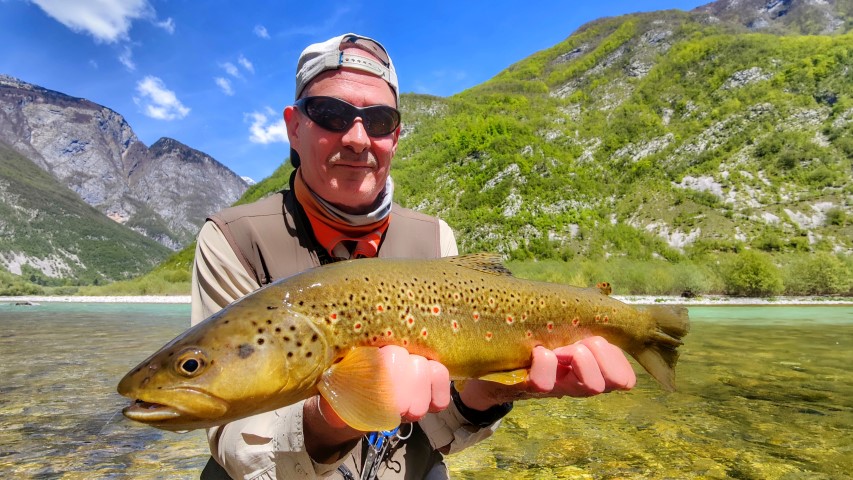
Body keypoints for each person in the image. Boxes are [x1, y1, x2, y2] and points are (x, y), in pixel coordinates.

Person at [190, 33, 637, 480]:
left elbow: (438, 430)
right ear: (294, 126)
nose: (358, 138)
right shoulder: (235, 239)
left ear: (396, 137)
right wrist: (333, 419)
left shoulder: (434, 238)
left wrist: (485, 396)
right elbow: (233, 439)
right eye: (330, 114)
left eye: (380, 120)